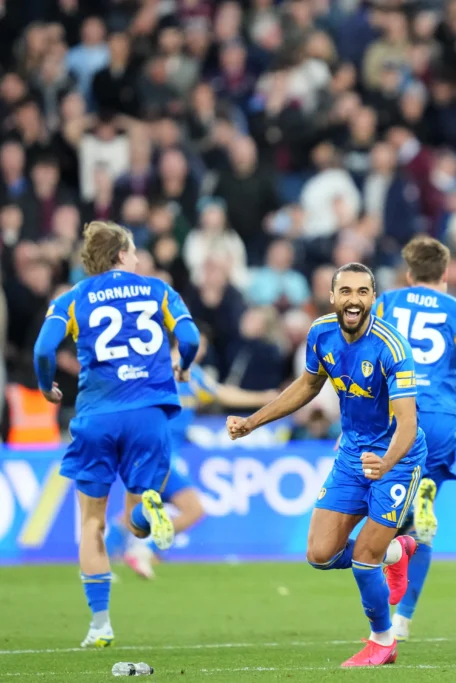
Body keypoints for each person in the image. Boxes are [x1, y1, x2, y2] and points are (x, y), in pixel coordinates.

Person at [225, 263, 426, 668]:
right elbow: (308, 385)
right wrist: (253, 421)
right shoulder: (320, 333)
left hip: (396, 460)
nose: (354, 300)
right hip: (351, 454)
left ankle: (383, 641)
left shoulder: (391, 346)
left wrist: (386, 462)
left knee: (364, 560)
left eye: (363, 292)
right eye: (345, 291)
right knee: (319, 553)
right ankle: (397, 552)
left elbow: (408, 422)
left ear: (373, 298)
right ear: (332, 296)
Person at [32, 220, 200, 648]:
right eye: (135, 250)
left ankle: (100, 625)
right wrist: (183, 366)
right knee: (136, 521)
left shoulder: (71, 298)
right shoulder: (159, 290)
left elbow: (43, 349)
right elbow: (190, 337)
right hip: (149, 414)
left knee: (93, 522)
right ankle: (146, 514)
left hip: (97, 415)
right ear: (122, 254)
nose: (139, 257)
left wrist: (46, 385)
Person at [375, 236, 456, 641]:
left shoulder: (386, 304)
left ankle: (383, 611)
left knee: (384, 517)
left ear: (409, 274)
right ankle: (403, 620)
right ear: (446, 273)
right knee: (420, 529)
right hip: (441, 419)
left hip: (395, 415)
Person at [112, 330, 278, 579]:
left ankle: (104, 560)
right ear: (183, 342)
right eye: (198, 344)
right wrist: (265, 397)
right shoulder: (161, 369)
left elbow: (221, 393)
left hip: (154, 454)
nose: (202, 351)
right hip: (155, 454)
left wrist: (264, 399)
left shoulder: (190, 373)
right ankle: (143, 551)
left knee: (133, 512)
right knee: (193, 509)